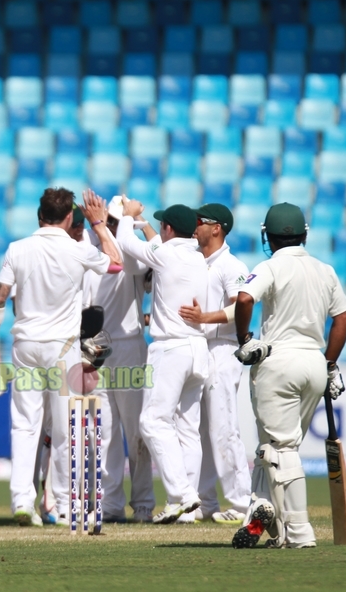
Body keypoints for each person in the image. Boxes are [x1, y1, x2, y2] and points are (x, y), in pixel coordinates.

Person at [0, 188, 121, 526]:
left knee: (24, 424)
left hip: (26, 345)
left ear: (39, 215)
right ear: (70, 218)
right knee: (65, 429)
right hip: (62, 348)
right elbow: (116, 263)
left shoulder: (18, 248)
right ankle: (58, 505)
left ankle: (22, 502)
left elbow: (0, 297)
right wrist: (100, 225)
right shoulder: (78, 250)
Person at [230, 203, 346, 549]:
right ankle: (272, 523)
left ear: (267, 235)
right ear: (305, 234)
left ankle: (300, 532)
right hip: (313, 363)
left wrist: (244, 340)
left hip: (278, 360)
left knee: (280, 448)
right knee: (275, 448)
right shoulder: (324, 270)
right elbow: (341, 318)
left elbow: (243, 298)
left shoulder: (269, 266)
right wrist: (329, 364)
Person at [115, 201, 213, 524]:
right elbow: (154, 242)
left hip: (170, 349)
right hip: (198, 348)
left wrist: (128, 217)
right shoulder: (199, 258)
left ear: (169, 229)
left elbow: (125, 243)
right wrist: (144, 224)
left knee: (153, 422)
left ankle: (182, 495)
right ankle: (186, 508)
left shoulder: (166, 254)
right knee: (187, 428)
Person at [177, 203, 252, 525]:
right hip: (200, 347)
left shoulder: (232, 265)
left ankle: (240, 503)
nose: (194, 226)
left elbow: (241, 307)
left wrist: (204, 318)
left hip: (223, 348)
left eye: (199, 221)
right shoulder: (196, 260)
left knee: (223, 427)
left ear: (216, 228)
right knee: (198, 429)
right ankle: (205, 501)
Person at [83, 197, 156, 524]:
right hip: (94, 348)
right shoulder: (85, 247)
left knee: (136, 429)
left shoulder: (130, 248)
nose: (108, 226)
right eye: (106, 221)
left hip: (127, 346)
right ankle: (110, 503)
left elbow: (145, 261)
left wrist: (134, 223)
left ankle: (142, 503)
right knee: (104, 431)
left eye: (114, 221)